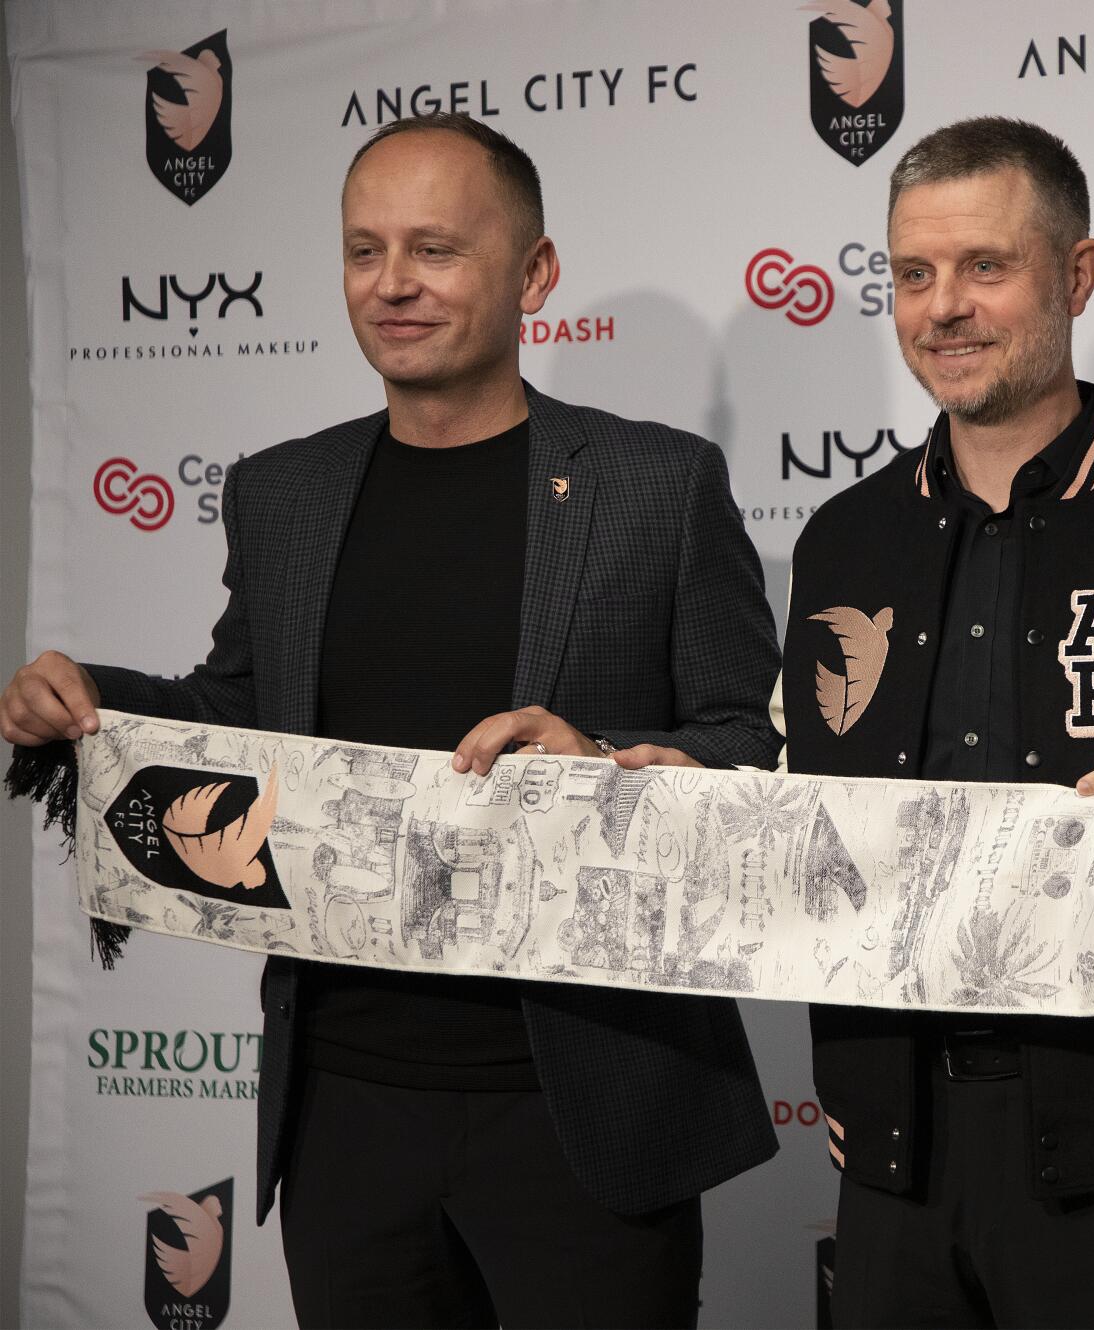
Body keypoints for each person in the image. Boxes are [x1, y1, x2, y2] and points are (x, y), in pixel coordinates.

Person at [1, 113, 778, 1329]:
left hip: (580, 1094)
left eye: (435, 249)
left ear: (534, 274)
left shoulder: (655, 484)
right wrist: (87, 698)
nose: (393, 284)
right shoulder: (281, 491)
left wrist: (607, 764)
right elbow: (239, 720)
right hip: (343, 1107)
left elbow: (746, 735)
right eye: (364, 251)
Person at [724, 116, 1094, 1328]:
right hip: (889, 1145)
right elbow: (782, 796)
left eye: (985, 267)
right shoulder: (840, 539)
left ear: (1078, 273)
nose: (943, 307)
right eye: (912, 274)